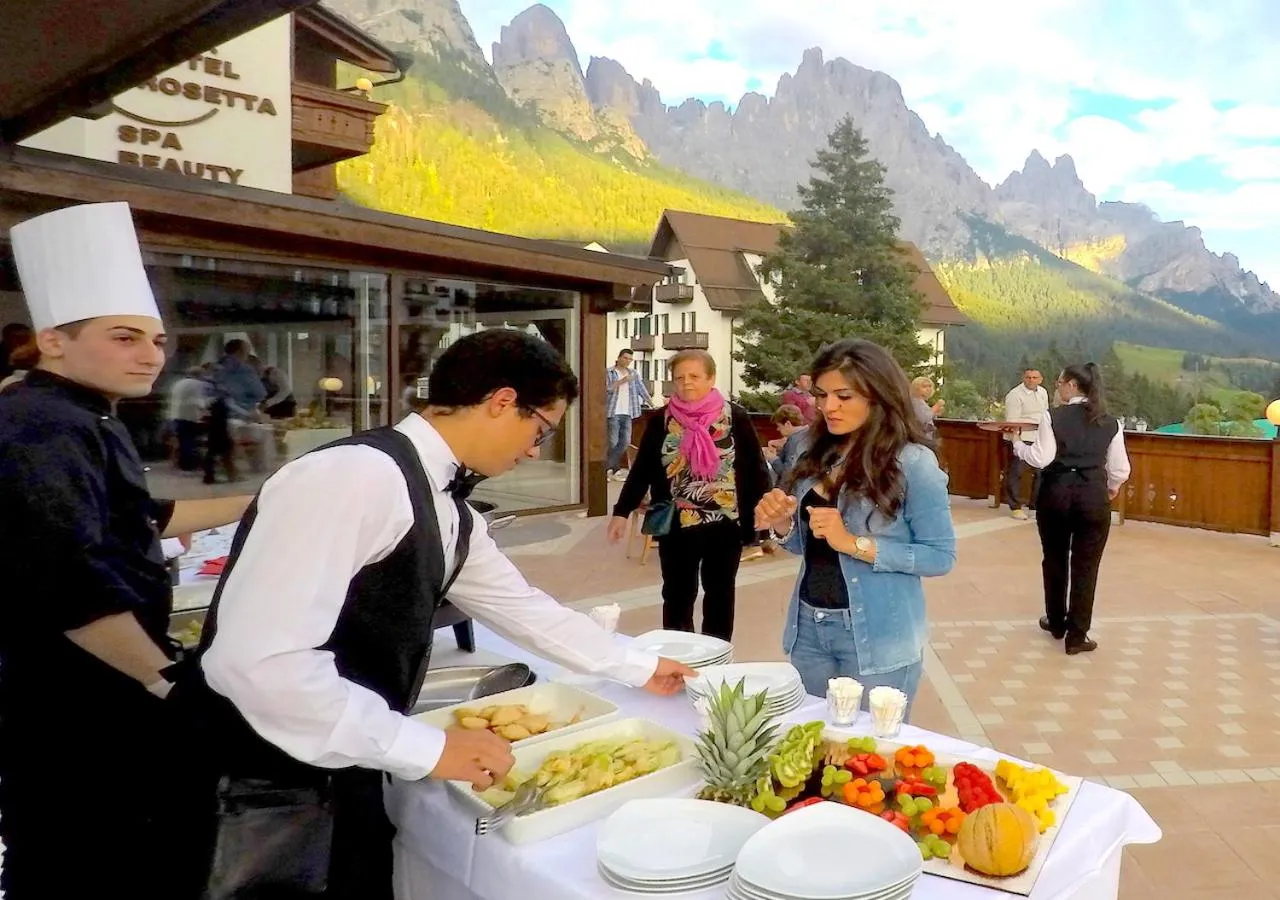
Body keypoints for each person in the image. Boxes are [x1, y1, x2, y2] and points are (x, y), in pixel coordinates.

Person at [170, 328, 697, 899]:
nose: (534, 451)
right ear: (500, 402)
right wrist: (426, 748)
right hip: (257, 780)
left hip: (341, 763)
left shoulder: (447, 506)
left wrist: (637, 665)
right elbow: (260, 664)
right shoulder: (355, 477)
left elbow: (520, 607)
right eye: (539, 429)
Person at [0, 201, 253, 899]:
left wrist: (265, 499)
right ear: (53, 340)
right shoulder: (38, 426)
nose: (150, 354)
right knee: (88, 860)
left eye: (158, 339)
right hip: (73, 700)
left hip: (99, 683)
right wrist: (167, 680)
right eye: (124, 337)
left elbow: (140, 517)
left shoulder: (80, 412)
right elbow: (69, 582)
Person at [754, 339, 957, 715]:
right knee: (816, 751)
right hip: (808, 629)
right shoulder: (810, 450)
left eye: (843, 396)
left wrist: (854, 543)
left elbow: (940, 556)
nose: (828, 406)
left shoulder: (913, 463)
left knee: (869, 760)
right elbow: (805, 545)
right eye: (822, 395)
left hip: (879, 636)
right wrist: (781, 522)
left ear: (877, 395)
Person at [607, 349, 770, 641]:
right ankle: (680, 659)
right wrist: (621, 511)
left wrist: (762, 522)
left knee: (720, 595)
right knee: (676, 596)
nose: (686, 383)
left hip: (725, 523)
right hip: (676, 524)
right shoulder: (661, 421)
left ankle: (715, 661)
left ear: (711, 379)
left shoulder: (735, 417)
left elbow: (756, 471)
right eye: (679, 378)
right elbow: (642, 469)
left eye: (694, 376)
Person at [1012, 363, 1131, 655]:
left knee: (1054, 559)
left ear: (1074, 386)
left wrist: (1017, 444)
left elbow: (1041, 457)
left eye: (1060, 382)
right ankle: (1077, 636)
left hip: (1056, 494)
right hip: (1093, 495)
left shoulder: (1053, 416)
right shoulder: (1111, 422)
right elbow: (1119, 468)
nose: (1058, 387)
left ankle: (1055, 621)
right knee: (1086, 566)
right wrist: (1111, 487)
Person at [1002, 368, 1049, 518]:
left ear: (1040, 379)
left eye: (1035, 377)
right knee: (1016, 472)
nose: (1031, 380)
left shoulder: (1043, 392)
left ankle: (1034, 506)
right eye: (1028, 377)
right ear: (1023, 378)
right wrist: (1016, 443)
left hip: (1039, 437)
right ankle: (1015, 506)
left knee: (1041, 473)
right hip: (1021, 438)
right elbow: (1012, 421)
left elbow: (1045, 415)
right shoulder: (1015, 395)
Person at [605, 347, 652, 480]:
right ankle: (614, 470)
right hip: (613, 411)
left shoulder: (633, 373)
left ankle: (608, 469)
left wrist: (651, 403)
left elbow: (641, 389)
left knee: (625, 442)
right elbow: (607, 389)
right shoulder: (609, 372)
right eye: (625, 358)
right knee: (613, 442)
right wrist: (622, 381)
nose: (627, 361)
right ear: (619, 358)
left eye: (630, 359)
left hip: (628, 412)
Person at [765, 403, 808, 485]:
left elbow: (787, 474)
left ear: (787, 424)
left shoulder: (795, 441)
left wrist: (772, 459)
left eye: (779, 426)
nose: (778, 429)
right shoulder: (808, 433)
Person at [910, 376, 944, 442]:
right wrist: (936, 407)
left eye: (930, 386)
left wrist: (935, 413)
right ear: (916, 388)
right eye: (924, 387)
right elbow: (923, 418)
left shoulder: (921, 401)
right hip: (920, 438)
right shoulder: (916, 402)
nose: (928, 389)